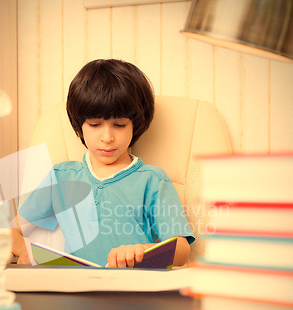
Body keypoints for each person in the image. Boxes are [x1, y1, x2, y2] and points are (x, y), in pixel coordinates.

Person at [12, 59, 195, 267]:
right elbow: (13, 230)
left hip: (129, 291)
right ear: (80, 126)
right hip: (71, 290)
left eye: (119, 124)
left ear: (136, 124)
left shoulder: (152, 180)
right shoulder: (61, 177)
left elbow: (182, 250)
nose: (107, 137)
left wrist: (143, 251)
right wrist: (22, 250)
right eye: (95, 124)